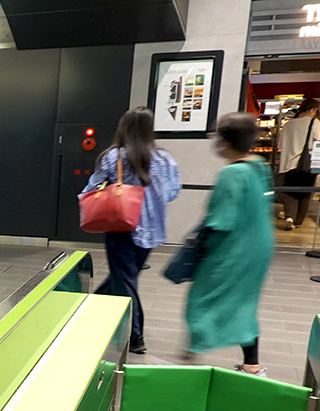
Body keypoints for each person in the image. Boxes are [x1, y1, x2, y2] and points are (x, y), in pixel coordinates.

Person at [80, 107, 181, 355]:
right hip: (152, 231)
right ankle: (88, 307)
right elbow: (172, 192)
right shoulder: (165, 159)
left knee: (125, 279)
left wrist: (84, 196)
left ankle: (136, 336)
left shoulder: (114, 156)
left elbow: (95, 186)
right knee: (126, 276)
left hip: (121, 226)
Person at [184, 112, 274, 376]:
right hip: (259, 247)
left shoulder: (231, 174)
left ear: (224, 142)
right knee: (245, 303)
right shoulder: (260, 165)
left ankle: (191, 355)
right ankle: (252, 365)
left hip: (233, 249)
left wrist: (198, 249)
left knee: (201, 298)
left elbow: (220, 221)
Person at [276, 98, 320, 230]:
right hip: (306, 164)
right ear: (313, 109)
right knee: (305, 193)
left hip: (287, 164)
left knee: (289, 192)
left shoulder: (288, 125)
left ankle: (289, 217)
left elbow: (280, 145)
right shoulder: (314, 123)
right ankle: (298, 221)